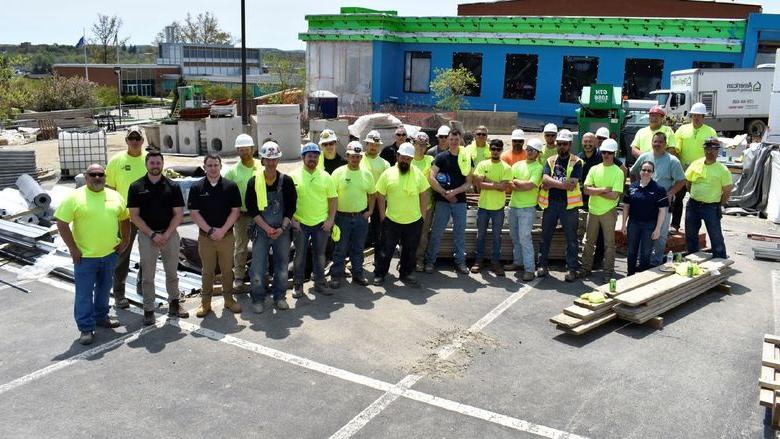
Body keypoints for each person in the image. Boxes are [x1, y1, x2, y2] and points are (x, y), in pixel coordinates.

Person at [55, 164, 129, 345]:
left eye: (100, 175)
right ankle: (86, 328)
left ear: (105, 176)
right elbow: (61, 222)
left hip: (109, 254)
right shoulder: (74, 197)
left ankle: (101, 317)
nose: (97, 178)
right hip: (85, 258)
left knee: (104, 290)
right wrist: (73, 248)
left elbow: (124, 218)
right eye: (93, 175)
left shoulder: (114, 196)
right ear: (86, 177)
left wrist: (125, 240)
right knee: (84, 294)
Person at [127, 151, 189, 325]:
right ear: (146, 164)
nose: (155, 166)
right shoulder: (136, 187)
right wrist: (153, 234)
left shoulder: (173, 186)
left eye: (158, 163)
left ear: (162, 164)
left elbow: (178, 214)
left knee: (172, 272)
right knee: (148, 275)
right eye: (152, 163)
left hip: (170, 235)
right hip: (148, 236)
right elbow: (134, 216)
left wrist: (167, 234)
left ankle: (174, 304)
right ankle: (149, 309)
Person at [188, 154, 243, 317]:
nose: (213, 168)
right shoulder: (197, 187)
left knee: (227, 270)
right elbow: (194, 213)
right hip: (206, 238)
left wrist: (222, 230)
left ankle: (229, 300)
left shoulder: (230, 186)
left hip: (226, 237)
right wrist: (211, 231)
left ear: (220, 166)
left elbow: (236, 211)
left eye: (216, 165)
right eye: (209, 165)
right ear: (204, 167)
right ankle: (205, 304)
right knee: (207, 271)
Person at [245, 141, 297, 313]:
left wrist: (282, 228)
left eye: (274, 159)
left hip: (281, 231)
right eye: (268, 159)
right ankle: (258, 298)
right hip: (261, 230)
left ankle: (280, 297)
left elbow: (291, 208)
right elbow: (252, 209)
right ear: (262, 161)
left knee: (282, 266)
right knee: (258, 267)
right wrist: (267, 229)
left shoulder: (287, 182)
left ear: (278, 160)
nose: (271, 163)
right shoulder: (254, 182)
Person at [373, 143, 430, 287]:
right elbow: (380, 194)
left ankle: (406, 273)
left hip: (414, 220)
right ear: (397, 156)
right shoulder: (388, 173)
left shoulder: (417, 173)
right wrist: (382, 215)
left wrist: (422, 215)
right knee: (386, 250)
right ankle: (380, 274)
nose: (405, 161)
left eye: (408, 159)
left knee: (410, 250)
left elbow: (424, 194)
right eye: (403, 158)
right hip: (392, 220)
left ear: (412, 159)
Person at [105, 125, 147, 309]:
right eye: (132, 138)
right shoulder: (116, 161)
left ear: (143, 141)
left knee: (148, 255)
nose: (135, 141)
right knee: (122, 255)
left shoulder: (150, 160)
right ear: (126, 140)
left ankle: (143, 285)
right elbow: (110, 190)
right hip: (124, 217)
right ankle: (119, 293)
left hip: (147, 217)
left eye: (138, 138)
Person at [630, 131, 686, 266]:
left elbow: (681, 181)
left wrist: (671, 192)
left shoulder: (673, 161)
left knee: (660, 234)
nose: (657, 144)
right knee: (643, 231)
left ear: (665, 144)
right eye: (655, 141)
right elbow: (633, 172)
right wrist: (636, 189)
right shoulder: (644, 157)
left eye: (660, 142)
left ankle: (656, 262)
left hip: (662, 203)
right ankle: (641, 261)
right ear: (651, 143)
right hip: (644, 203)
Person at [291, 142, 337, 297]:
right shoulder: (293, 176)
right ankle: (298, 285)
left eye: (316, 156)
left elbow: (333, 199)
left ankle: (320, 283)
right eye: (310, 156)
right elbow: (287, 201)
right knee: (300, 255)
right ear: (303, 157)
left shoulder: (325, 176)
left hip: (320, 224)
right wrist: (292, 220)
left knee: (320, 255)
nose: (313, 159)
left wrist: (330, 220)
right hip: (300, 224)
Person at [424, 128, 472, 275]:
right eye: (451, 139)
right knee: (437, 232)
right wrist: (445, 193)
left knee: (459, 233)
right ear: (448, 140)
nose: (453, 142)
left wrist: (454, 192)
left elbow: (468, 183)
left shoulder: (466, 158)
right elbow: (431, 178)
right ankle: (430, 261)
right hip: (442, 201)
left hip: (460, 201)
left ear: (460, 140)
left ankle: (460, 262)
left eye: (456, 140)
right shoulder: (440, 157)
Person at [537, 129, 582, 282]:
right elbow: (544, 180)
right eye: (559, 144)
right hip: (551, 204)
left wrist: (552, 183)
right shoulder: (550, 160)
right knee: (545, 236)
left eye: (564, 144)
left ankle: (572, 269)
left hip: (569, 206)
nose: (561, 146)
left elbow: (572, 185)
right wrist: (560, 183)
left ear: (570, 145)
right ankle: (542, 265)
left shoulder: (576, 162)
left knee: (571, 239)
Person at [329, 141, 376, 289]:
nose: (355, 159)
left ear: (361, 158)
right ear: (347, 156)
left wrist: (370, 211)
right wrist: (332, 215)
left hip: (361, 218)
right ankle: (336, 275)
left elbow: (373, 194)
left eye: (358, 156)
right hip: (341, 217)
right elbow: (331, 196)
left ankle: (358, 274)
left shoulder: (367, 174)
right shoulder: (338, 173)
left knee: (358, 248)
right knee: (340, 249)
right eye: (352, 156)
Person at [578, 131, 627, 268]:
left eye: (609, 153)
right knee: (588, 241)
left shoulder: (617, 171)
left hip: (608, 211)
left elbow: (614, 196)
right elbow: (586, 189)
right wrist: (604, 189)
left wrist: (595, 191)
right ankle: (586, 268)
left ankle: (607, 271)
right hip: (592, 210)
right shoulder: (593, 168)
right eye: (604, 152)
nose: (606, 155)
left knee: (608, 244)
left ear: (614, 154)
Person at [223, 134, 261, 293]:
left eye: (247, 149)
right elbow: (225, 194)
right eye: (241, 149)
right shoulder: (232, 172)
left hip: (260, 214)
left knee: (261, 246)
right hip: (242, 215)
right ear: (237, 151)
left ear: (252, 149)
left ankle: (260, 273)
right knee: (240, 247)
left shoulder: (262, 166)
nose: (244, 152)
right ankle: (238, 276)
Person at [684, 137, 733, 258]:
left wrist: (718, 203)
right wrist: (695, 195)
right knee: (690, 233)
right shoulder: (696, 164)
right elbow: (688, 182)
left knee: (715, 235)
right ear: (704, 150)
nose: (710, 152)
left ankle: (720, 258)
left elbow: (727, 191)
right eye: (707, 149)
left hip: (711, 207)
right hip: (693, 204)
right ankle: (693, 256)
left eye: (713, 149)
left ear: (718, 151)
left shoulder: (723, 170)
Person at [672, 102, 717, 231]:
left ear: (704, 117)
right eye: (694, 115)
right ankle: (674, 225)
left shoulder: (710, 132)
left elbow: (713, 152)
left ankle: (694, 228)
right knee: (677, 198)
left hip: (701, 172)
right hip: (683, 170)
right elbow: (676, 148)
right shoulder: (682, 129)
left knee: (698, 201)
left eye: (699, 116)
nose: (696, 118)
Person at [471, 139, 512, 275]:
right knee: (480, 235)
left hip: (498, 208)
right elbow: (478, 183)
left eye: (498, 149)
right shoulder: (483, 164)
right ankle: (478, 261)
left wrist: (487, 181)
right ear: (490, 150)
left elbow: (503, 188)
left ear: (501, 151)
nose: (495, 151)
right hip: (483, 207)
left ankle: (495, 263)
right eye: (493, 149)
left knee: (496, 237)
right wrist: (496, 184)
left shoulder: (506, 168)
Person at [506, 138, 544, 281]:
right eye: (528, 149)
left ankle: (529, 269)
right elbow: (510, 182)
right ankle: (518, 262)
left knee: (525, 238)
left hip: (527, 208)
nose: (528, 152)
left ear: (538, 153)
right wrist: (519, 184)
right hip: (514, 206)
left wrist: (517, 182)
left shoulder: (538, 168)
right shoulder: (517, 164)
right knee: (515, 237)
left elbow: (530, 185)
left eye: (532, 150)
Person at [621, 161, 669, 275]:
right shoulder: (632, 187)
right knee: (631, 251)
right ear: (640, 171)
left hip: (649, 225)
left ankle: (643, 276)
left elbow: (662, 211)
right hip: (633, 224)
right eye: (644, 170)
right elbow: (626, 206)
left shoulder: (659, 189)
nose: (646, 172)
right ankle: (630, 274)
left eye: (649, 171)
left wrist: (658, 229)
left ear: (653, 173)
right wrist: (623, 224)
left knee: (646, 252)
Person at [361, 130, 390, 252]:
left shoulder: (385, 164)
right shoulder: (358, 159)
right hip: (361, 200)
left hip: (379, 201)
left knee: (379, 231)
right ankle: (357, 259)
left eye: (376, 145)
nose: (373, 147)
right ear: (366, 144)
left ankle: (379, 259)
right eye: (370, 144)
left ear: (379, 146)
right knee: (359, 231)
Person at [411, 132, 435, 271]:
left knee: (423, 234)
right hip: (408, 204)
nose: (420, 148)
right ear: (413, 144)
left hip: (426, 204)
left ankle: (419, 259)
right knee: (408, 234)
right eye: (418, 144)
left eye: (423, 145)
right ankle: (407, 258)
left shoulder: (430, 160)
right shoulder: (407, 158)